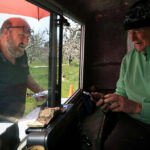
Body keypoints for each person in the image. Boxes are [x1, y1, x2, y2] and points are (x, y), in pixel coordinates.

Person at [91, 0, 150, 150]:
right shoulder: (128, 60)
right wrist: (109, 102)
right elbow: (121, 92)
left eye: (137, 30)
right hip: (131, 122)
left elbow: (133, 106)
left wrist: (137, 107)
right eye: (129, 32)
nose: (133, 38)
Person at [0, 17, 45, 118]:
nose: (26, 42)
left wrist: (37, 90)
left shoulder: (21, 53)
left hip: (16, 116)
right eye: (21, 35)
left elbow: (25, 74)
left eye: (28, 38)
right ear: (6, 32)